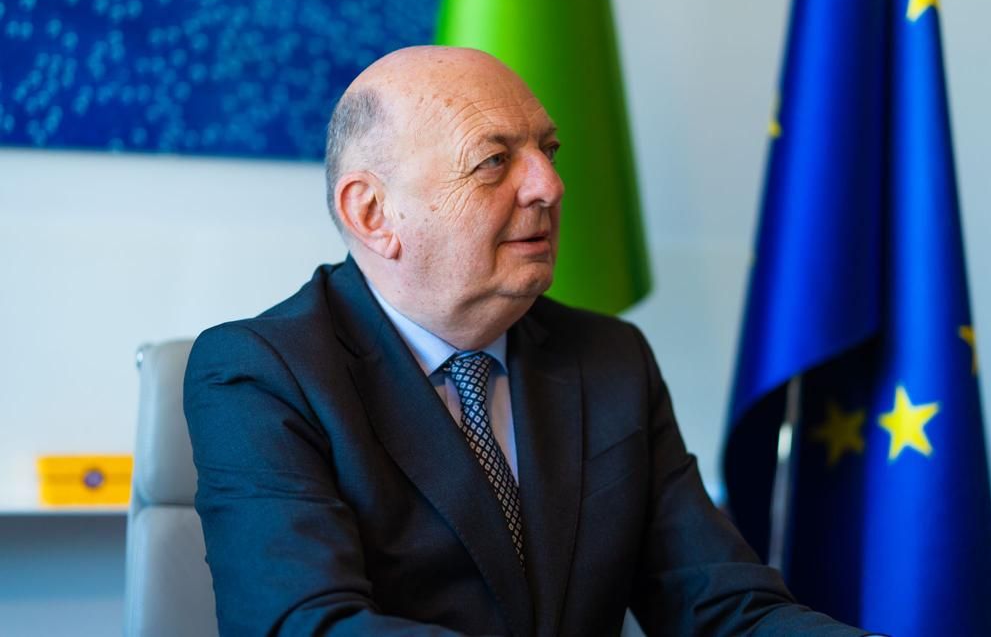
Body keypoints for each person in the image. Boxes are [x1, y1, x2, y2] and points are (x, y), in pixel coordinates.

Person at [184, 46, 865, 636]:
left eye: (548, 150)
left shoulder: (610, 359)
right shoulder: (262, 374)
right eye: (493, 161)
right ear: (373, 213)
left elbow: (721, 604)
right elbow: (309, 625)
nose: (549, 185)